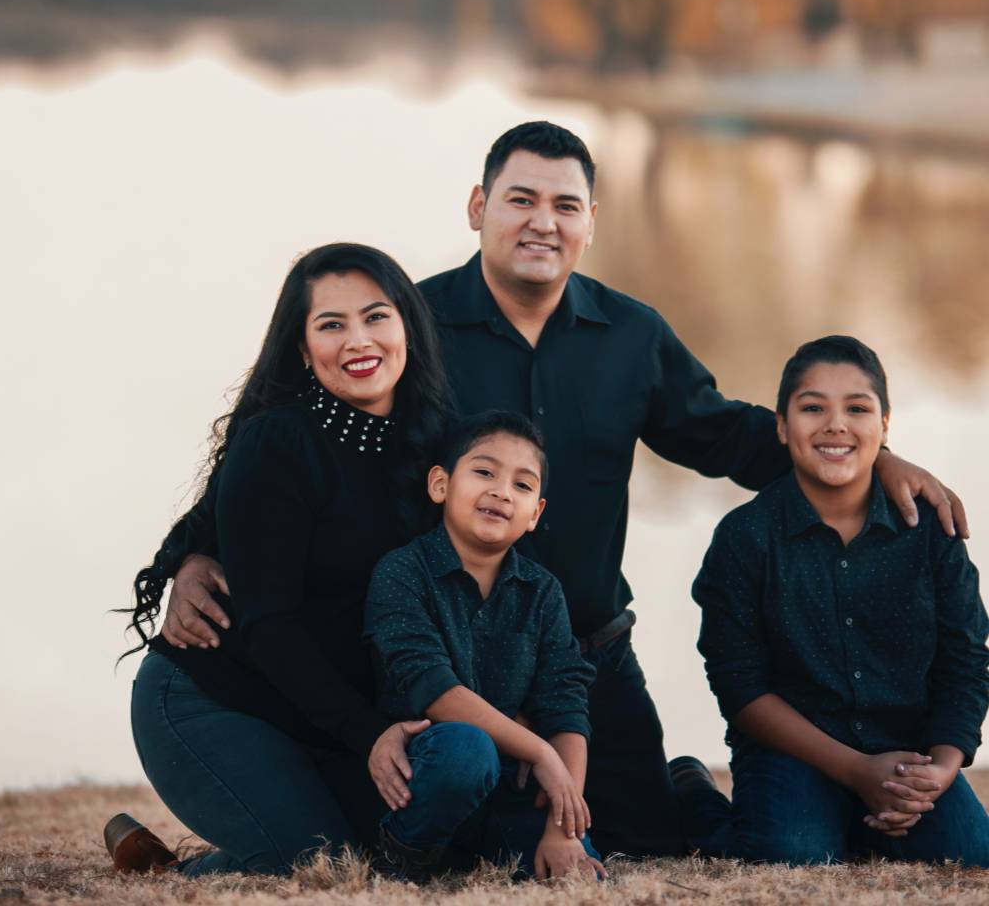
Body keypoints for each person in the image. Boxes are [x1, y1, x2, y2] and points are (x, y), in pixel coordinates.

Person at [149, 122, 968, 858]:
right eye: (521, 199)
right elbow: (298, 451)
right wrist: (194, 554)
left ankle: (675, 781)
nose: (544, 221)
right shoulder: (409, 327)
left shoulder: (634, 334)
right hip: (462, 654)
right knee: (473, 836)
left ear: (590, 222)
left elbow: (726, 435)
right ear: (479, 207)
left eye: (566, 204)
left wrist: (872, 460)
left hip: (587, 648)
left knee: (654, 838)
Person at [109, 243, 453, 875]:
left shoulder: (436, 444)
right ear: (301, 349)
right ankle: (166, 873)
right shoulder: (278, 442)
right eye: (331, 325)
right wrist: (370, 733)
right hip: (213, 699)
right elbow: (270, 626)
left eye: (376, 317)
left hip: (320, 712)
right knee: (321, 866)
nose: (358, 340)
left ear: (407, 324)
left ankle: (245, 835)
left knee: (399, 853)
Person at [676, 336, 989, 866]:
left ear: (885, 426)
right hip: (794, 750)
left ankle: (854, 822)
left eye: (857, 409)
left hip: (903, 748)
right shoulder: (745, 538)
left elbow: (967, 659)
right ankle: (689, 791)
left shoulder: (930, 531)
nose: (836, 425)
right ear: (781, 425)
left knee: (970, 852)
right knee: (789, 852)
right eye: (813, 408)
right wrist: (856, 773)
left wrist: (940, 768)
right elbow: (739, 685)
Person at [364, 410, 605, 881]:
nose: (501, 491)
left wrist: (563, 828)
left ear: (535, 513)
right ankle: (401, 856)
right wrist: (541, 753)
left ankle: (484, 852)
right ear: (440, 485)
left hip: (510, 788)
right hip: (428, 773)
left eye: (522, 485)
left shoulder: (542, 591)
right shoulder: (402, 572)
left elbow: (565, 705)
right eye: (484, 472)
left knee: (578, 876)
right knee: (467, 751)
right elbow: (432, 688)